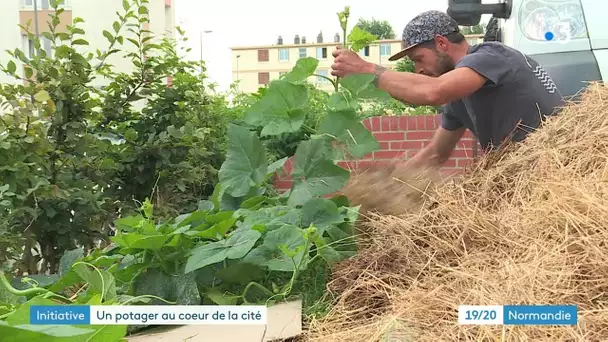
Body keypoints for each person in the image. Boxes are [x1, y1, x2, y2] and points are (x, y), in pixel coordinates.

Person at [330, 10, 565, 171]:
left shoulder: (491, 56)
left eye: (419, 58)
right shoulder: (458, 99)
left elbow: (434, 92)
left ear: (442, 44)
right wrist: (390, 181)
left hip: (559, 162)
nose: (419, 70)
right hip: (525, 172)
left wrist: (366, 69)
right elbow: (435, 154)